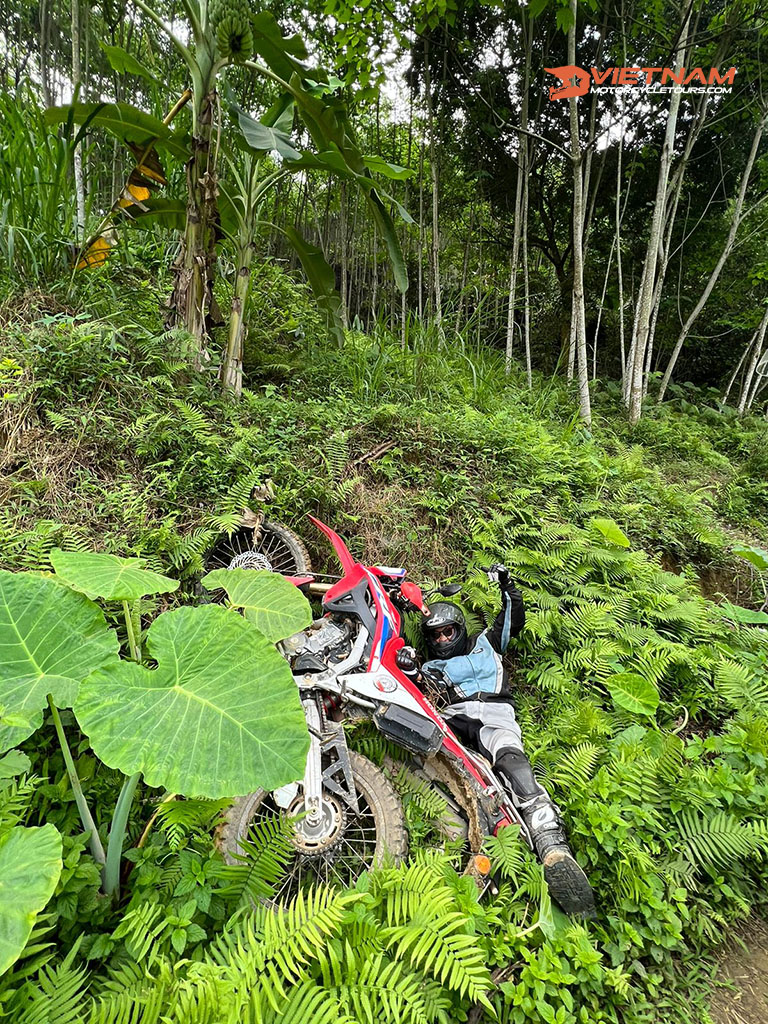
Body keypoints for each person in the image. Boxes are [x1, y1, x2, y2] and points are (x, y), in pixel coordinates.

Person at [420, 565, 595, 918]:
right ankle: (476, 852)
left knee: (513, 764)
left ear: (460, 629)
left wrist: (506, 584)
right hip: (452, 721)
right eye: (435, 636)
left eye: (447, 632)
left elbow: (513, 614)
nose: (442, 640)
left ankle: (550, 842)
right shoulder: (427, 669)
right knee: (463, 779)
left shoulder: (487, 643)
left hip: (494, 714)